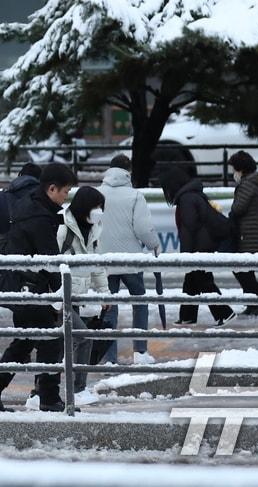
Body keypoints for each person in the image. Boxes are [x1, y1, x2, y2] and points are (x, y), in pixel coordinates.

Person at [0, 162, 78, 413]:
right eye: (65, 192)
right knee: (49, 341)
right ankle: (49, 398)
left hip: (23, 285)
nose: (66, 198)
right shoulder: (39, 216)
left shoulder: (32, 204)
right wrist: (60, 294)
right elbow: (49, 259)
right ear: (51, 189)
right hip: (30, 287)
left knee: (24, 343)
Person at [95, 155, 159, 365]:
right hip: (130, 259)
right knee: (139, 303)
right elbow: (142, 227)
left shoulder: (97, 194)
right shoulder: (134, 196)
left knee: (108, 307)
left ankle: (109, 357)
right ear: (128, 171)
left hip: (105, 260)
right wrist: (153, 245)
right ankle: (140, 353)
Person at [159, 163, 234, 326]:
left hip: (199, 247)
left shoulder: (187, 199)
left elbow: (188, 228)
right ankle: (188, 316)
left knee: (203, 280)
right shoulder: (191, 195)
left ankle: (225, 313)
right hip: (201, 245)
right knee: (192, 280)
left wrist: (186, 255)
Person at [56, 184, 106, 394]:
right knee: (83, 338)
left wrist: (104, 293)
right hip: (58, 296)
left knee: (61, 345)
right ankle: (77, 390)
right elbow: (51, 262)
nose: (99, 211)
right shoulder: (63, 227)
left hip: (75, 296)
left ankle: (42, 391)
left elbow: (97, 264)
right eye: (96, 207)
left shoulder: (94, 230)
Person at [226, 150, 258, 315]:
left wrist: (238, 188)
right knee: (246, 269)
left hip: (247, 233)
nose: (233, 173)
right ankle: (253, 303)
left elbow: (237, 208)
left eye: (234, 169)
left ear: (241, 169)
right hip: (256, 232)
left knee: (240, 268)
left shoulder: (247, 184)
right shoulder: (257, 183)